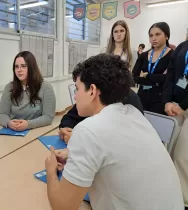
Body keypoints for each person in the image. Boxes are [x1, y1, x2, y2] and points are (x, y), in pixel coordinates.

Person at [44, 54, 184, 210]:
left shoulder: (87, 130)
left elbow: (62, 206)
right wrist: (75, 155)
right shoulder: (133, 113)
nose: (75, 96)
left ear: (92, 90)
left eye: (77, 88)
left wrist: (50, 170)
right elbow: (120, 154)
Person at [0, 51, 56, 131]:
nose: (19, 70)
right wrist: (9, 123)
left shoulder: (46, 88)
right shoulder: (9, 88)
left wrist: (28, 124)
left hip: (35, 130)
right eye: (16, 67)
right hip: (13, 131)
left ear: (32, 67)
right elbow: (1, 114)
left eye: (23, 66)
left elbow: (48, 117)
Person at [59, 89, 143, 143]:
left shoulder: (129, 99)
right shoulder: (89, 100)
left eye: (78, 88)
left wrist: (79, 140)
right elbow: (69, 117)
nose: (75, 96)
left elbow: (120, 142)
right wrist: (66, 130)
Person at [163, 40, 188, 209]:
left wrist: (183, 105)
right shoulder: (182, 46)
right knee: (170, 152)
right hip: (174, 106)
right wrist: (166, 101)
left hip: (183, 106)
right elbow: (170, 76)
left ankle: (183, 200)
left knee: (183, 156)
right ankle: (172, 193)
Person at [133, 22, 173, 115]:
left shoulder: (173, 55)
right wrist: (156, 80)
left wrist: (147, 76)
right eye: (151, 36)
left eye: (158, 34)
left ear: (166, 36)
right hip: (142, 96)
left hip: (161, 99)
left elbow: (168, 79)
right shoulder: (143, 55)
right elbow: (134, 77)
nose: (153, 38)